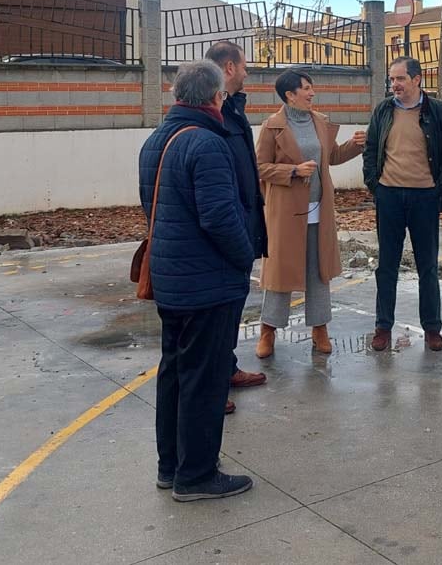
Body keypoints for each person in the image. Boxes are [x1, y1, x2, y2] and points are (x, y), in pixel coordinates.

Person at [138, 60, 255, 502]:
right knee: (204, 380)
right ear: (213, 98)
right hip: (207, 283)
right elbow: (220, 217)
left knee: (174, 373)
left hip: (172, 279)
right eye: (223, 95)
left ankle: (172, 467)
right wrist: (245, 258)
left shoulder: (156, 140)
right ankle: (197, 475)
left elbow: (151, 207)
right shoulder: (207, 143)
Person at [254, 69, 367, 357]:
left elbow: (331, 157)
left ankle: (320, 329)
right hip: (286, 213)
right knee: (281, 273)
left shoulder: (320, 121)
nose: (312, 93)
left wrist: (355, 146)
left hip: (320, 210)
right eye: (306, 88)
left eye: (311, 87)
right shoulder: (272, 126)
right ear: (289, 94)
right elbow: (258, 167)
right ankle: (268, 330)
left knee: (320, 271)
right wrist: (292, 171)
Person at [362, 56, 442, 351]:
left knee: (427, 266)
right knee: (387, 265)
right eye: (392, 79)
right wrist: (374, 184)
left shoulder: (440, 112)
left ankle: (432, 328)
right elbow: (370, 148)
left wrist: (438, 190)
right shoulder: (383, 110)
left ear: (417, 79)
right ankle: (383, 327)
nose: (394, 84)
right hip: (389, 196)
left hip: (425, 198)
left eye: (400, 78)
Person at [204, 41, 268, 410]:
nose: (247, 72)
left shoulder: (232, 108)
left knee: (233, 303)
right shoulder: (212, 113)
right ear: (229, 68)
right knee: (220, 308)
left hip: (243, 221)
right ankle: (213, 387)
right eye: (244, 66)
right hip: (229, 229)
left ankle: (225, 369)